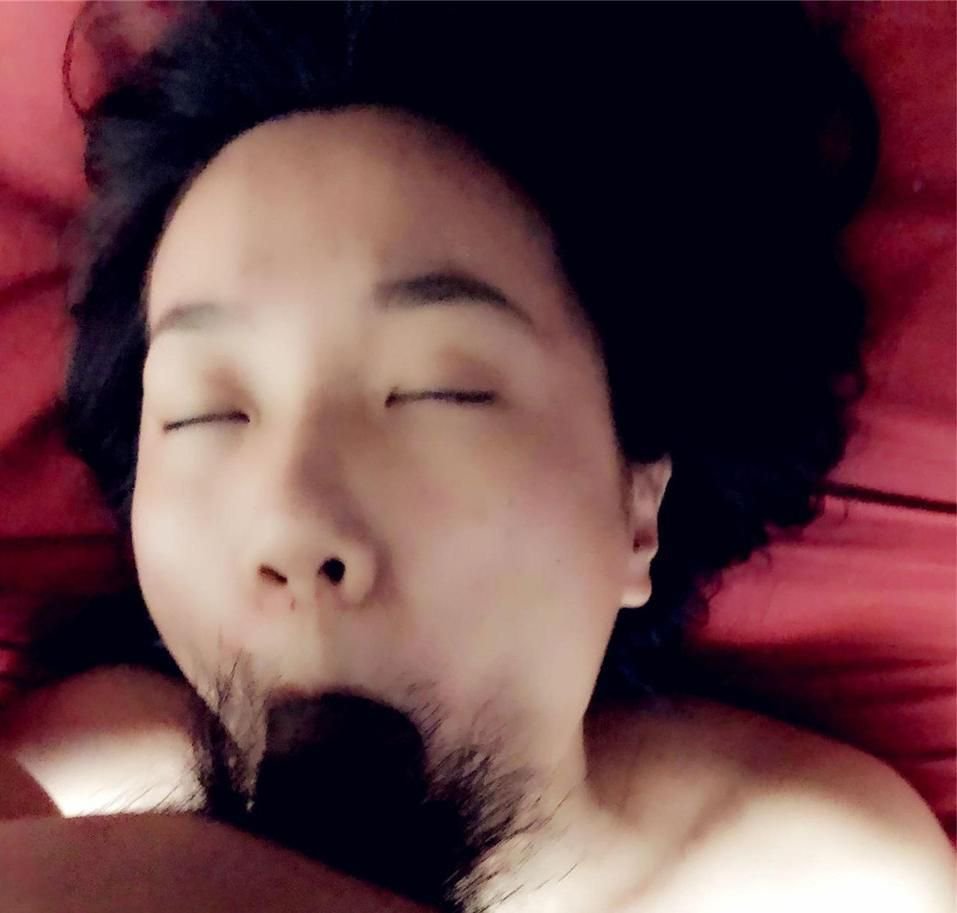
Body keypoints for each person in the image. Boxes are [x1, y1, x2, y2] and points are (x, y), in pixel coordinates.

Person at [0, 3, 953, 912]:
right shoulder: (62, 798)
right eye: (205, 412)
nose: (293, 518)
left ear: (636, 511)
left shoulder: (837, 884)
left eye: (439, 393)